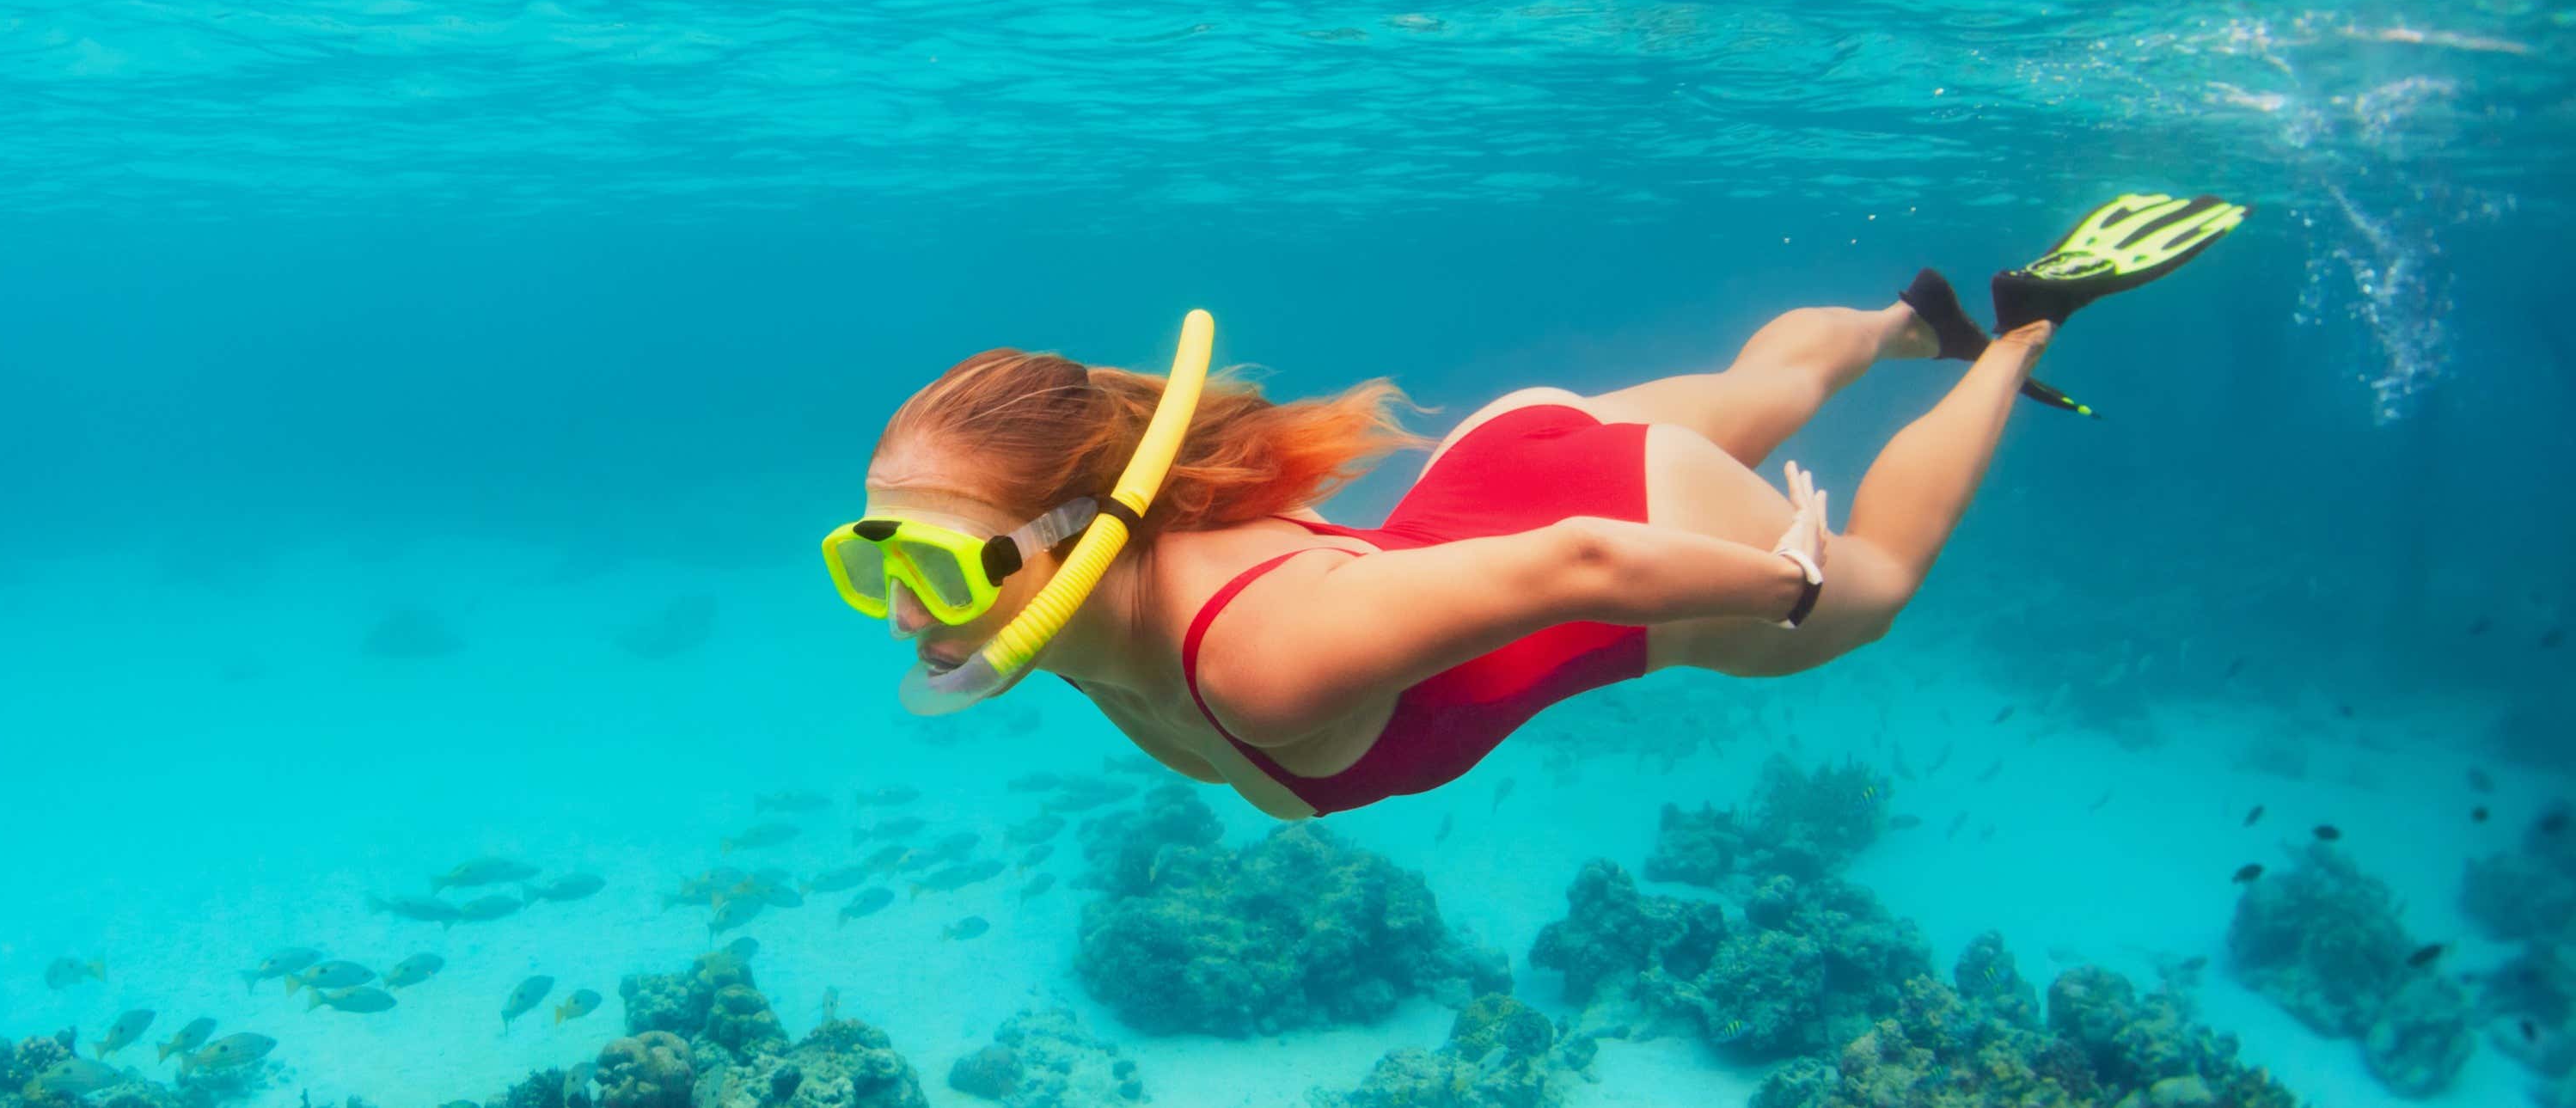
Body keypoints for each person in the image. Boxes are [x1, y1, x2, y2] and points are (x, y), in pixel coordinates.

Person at [820, 194, 2248, 819]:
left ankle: (2015, 329)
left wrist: (1785, 582)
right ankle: (1898, 321)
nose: (897, 611)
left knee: (1880, 586)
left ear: (1085, 528)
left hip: (1603, 527)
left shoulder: (1251, 657)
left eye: (937, 568)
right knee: (1757, 392)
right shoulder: (1070, 610)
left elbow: (1574, 563)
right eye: (866, 558)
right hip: (1504, 469)